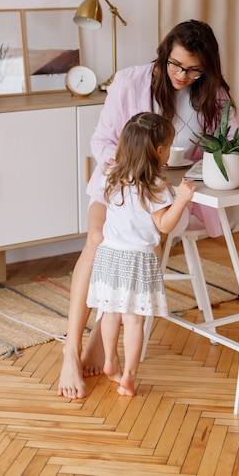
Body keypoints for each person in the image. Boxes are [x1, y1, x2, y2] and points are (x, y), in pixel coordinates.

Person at [58, 19, 239, 399]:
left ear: (206, 67)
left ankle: (106, 329)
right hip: (120, 185)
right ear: (164, 56)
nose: (183, 75)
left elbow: (235, 145)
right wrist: (126, 171)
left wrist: (232, 159)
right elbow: (102, 140)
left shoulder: (214, 97)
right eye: (177, 65)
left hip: (167, 193)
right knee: (98, 237)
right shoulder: (130, 81)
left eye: (194, 69)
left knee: (145, 237)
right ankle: (71, 348)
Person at [87, 112, 195, 396]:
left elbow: (107, 191)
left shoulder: (111, 175)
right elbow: (164, 225)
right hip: (138, 259)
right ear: (159, 151)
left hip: (109, 254)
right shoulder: (156, 186)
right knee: (134, 320)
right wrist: (181, 200)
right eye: (169, 147)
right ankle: (129, 377)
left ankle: (111, 361)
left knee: (110, 312)